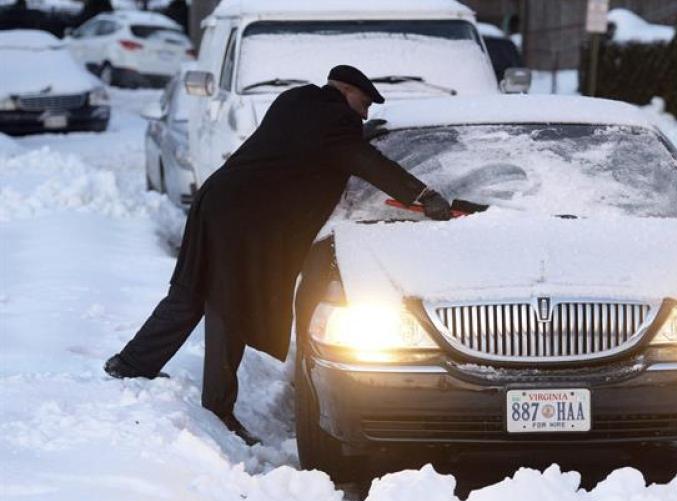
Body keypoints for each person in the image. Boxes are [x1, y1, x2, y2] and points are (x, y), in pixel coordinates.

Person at [104, 65, 452, 445]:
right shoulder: (336, 122)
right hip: (240, 222)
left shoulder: (295, 101)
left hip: (216, 201)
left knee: (190, 291)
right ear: (346, 91)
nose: (365, 113)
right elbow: (370, 164)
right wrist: (422, 195)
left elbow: (311, 144)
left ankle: (132, 364)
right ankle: (218, 409)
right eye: (364, 103)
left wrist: (358, 137)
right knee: (227, 306)